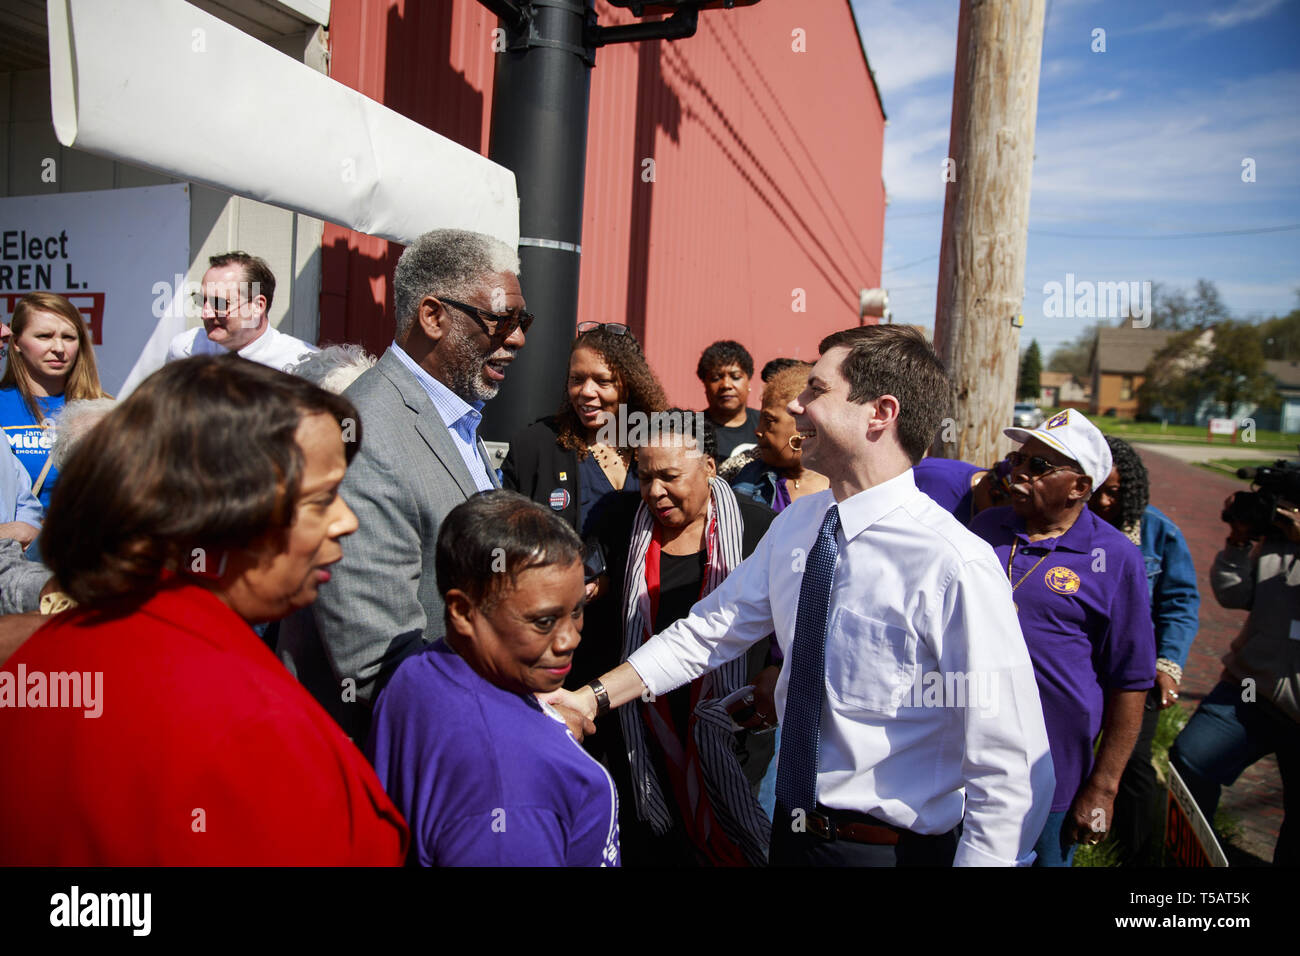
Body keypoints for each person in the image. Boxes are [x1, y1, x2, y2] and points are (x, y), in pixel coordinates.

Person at [548, 325, 1055, 867]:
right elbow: (708, 630)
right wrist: (589, 699)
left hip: (888, 854)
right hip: (789, 838)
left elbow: (1008, 764)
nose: (794, 403)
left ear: (879, 413)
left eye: (816, 389)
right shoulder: (800, 527)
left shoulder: (953, 565)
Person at [0, 355, 408, 864]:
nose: (346, 521)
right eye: (322, 498)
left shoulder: (40, 661)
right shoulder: (257, 725)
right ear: (222, 509)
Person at [278, 228, 528, 741]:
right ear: (433, 316)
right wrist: (513, 732)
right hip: (411, 754)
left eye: (523, 321)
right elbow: (377, 659)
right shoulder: (365, 433)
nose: (518, 338)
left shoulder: (456, 415)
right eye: (501, 320)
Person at [367, 490, 619, 866]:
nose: (570, 639)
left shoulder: (419, 671)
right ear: (463, 612)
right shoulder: (510, 788)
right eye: (544, 621)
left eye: (577, 610)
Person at [586, 411, 775, 866]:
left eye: (670, 477)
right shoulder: (618, 520)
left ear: (709, 468)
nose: (654, 492)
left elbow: (788, 629)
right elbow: (586, 577)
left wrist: (774, 669)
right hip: (636, 740)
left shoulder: (759, 529)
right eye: (645, 476)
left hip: (733, 739)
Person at [970, 409, 1155, 867]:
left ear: (1079, 487)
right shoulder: (984, 529)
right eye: (1019, 458)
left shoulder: (1114, 557)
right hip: (965, 759)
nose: (1019, 472)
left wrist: (1103, 787)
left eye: (1039, 466)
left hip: (1054, 774)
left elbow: (1130, 680)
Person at [1169, 486, 1300, 866]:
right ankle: (1196, 859)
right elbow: (1231, 594)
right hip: (1250, 688)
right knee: (1191, 759)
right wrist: (1240, 540)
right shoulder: (1273, 544)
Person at [1089, 436, 1199, 865]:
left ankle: (1133, 854)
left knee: (1132, 765)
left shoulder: (1159, 532)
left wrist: (1168, 665)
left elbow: (1179, 602)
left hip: (1138, 672)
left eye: (1116, 491)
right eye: (1099, 488)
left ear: (1131, 491)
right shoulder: (1071, 526)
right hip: (1084, 667)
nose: (1104, 500)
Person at [502, 322, 667, 537]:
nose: (586, 391)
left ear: (630, 385)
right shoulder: (534, 446)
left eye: (603, 381)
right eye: (577, 379)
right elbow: (504, 535)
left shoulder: (659, 444)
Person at [0, 292, 112, 510]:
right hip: (15, 540)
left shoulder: (105, 412)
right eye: (44, 336)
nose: (59, 349)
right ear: (16, 342)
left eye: (69, 337)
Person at [167, 251, 316, 371]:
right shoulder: (184, 349)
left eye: (219, 303)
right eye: (202, 300)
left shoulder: (303, 365)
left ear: (257, 306)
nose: (205, 314)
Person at [730, 362, 829, 512]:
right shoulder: (745, 481)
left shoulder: (846, 483)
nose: (758, 431)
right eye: (760, 420)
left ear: (805, 422)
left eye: (769, 421)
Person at [697, 340, 760, 463]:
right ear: (704, 384)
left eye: (735, 377)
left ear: (749, 380)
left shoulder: (766, 424)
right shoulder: (691, 430)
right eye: (716, 378)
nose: (726, 385)